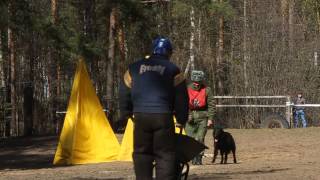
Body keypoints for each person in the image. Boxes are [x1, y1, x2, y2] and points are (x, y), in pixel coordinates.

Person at [119, 36, 189, 180]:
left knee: (141, 153)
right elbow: (182, 97)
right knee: (165, 154)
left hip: (140, 116)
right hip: (163, 117)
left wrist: (126, 113)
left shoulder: (133, 68)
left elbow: (124, 91)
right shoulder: (174, 70)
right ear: (169, 52)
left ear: (152, 50)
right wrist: (181, 119)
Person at [185, 70, 215, 165]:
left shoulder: (207, 90)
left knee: (200, 138)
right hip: (190, 117)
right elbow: (183, 103)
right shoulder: (186, 89)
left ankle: (199, 157)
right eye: (195, 83)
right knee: (190, 138)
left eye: (198, 83)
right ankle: (193, 156)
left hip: (203, 117)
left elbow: (211, 105)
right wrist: (187, 114)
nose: (196, 85)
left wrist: (210, 118)